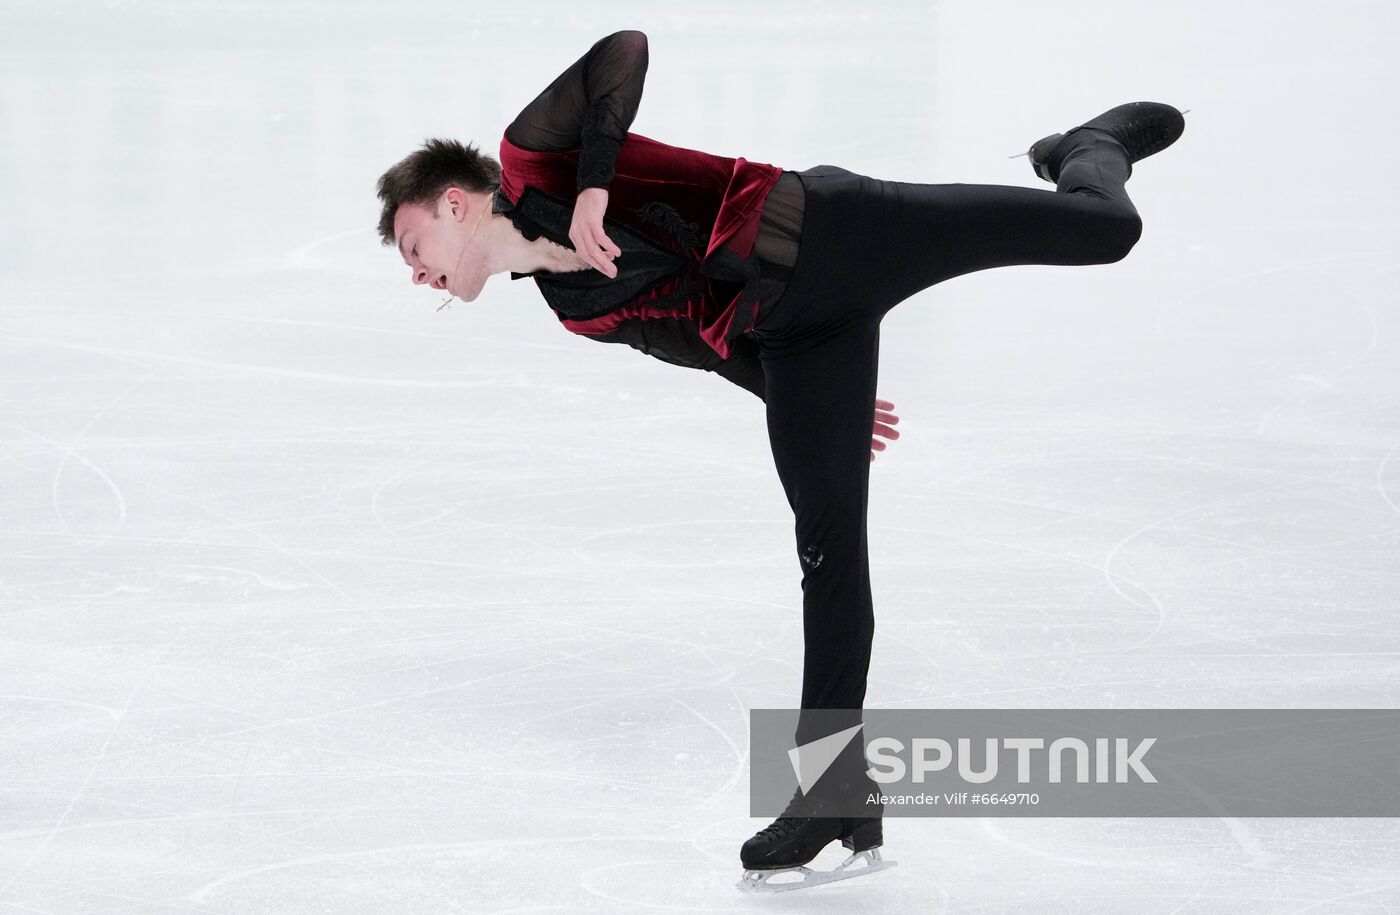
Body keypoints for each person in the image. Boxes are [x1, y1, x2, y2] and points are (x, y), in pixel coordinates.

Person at [375, 29, 1184, 891]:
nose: (419, 274)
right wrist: (804, 402)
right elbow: (702, 341)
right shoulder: (574, 306)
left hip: (846, 229)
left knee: (1106, 228)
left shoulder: (534, 159)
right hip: (801, 342)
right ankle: (836, 788)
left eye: (414, 247)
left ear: (455, 203)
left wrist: (595, 185)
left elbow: (623, 50)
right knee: (828, 548)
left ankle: (1087, 148)